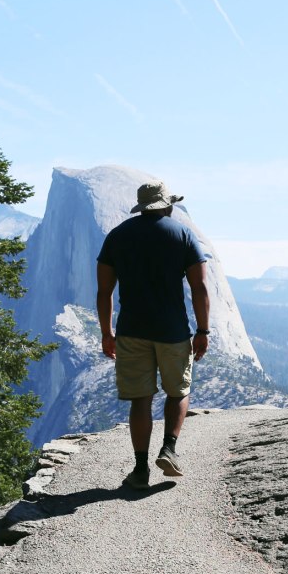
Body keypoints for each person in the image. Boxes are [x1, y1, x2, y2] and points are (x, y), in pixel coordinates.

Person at [96, 181, 210, 490]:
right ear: (166, 205)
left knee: (140, 400)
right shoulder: (182, 234)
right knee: (178, 392)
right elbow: (199, 287)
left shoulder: (117, 236)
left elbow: (104, 291)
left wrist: (107, 333)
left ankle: (140, 469)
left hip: (132, 331)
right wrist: (202, 330)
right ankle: (169, 449)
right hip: (173, 331)